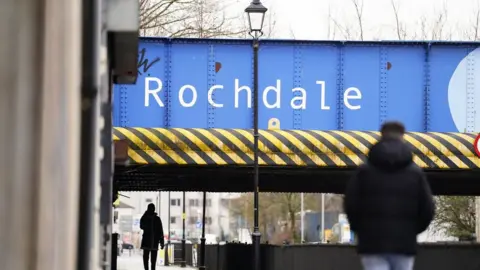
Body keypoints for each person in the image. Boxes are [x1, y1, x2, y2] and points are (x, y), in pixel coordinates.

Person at [344, 121, 435, 270]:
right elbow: (427, 209)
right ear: (402, 136)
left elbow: (351, 205)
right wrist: (411, 230)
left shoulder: (363, 172)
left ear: (382, 135)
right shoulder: (415, 173)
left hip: (372, 243)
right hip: (404, 243)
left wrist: (361, 230)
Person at [140, 203, 165, 270]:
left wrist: (162, 242)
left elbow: (160, 231)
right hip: (151, 242)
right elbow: (141, 225)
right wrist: (162, 242)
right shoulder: (147, 217)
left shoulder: (156, 219)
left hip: (151, 242)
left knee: (151, 260)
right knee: (148, 259)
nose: (151, 210)